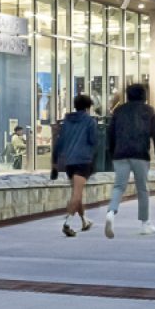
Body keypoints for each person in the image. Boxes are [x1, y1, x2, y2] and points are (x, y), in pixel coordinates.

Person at [103, 83, 155, 236]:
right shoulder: (148, 111)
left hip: (120, 154)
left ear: (128, 95)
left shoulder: (118, 111)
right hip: (140, 154)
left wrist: (112, 153)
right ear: (143, 95)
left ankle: (111, 212)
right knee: (142, 188)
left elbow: (110, 134)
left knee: (118, 186)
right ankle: (145, 224)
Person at [51, 94, 103, 237]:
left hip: (69, 162)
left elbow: (59, 143)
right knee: (77, 193)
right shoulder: (90, 121)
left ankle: (84, 221)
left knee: (77, 192)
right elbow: (93, 141)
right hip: (83, 161)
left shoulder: (67, 122)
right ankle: (67, 223)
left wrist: (54, 163)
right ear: (88, 107)